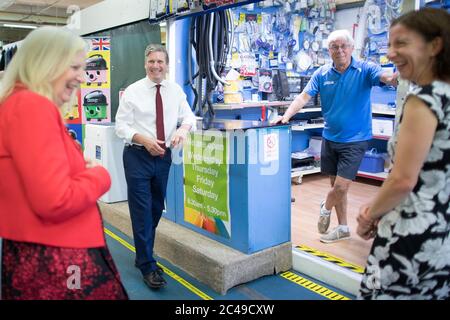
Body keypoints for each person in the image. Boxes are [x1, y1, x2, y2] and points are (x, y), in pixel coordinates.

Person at [0, 27, 128, 300]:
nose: (82, 77)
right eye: (74, 67)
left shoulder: (18, 104)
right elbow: (54, 200)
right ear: (45, 64)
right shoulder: (32, 107)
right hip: (59, 257)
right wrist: (100, 177)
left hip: (43, 252)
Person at [357, 8, 450, 300]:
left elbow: (402, 180)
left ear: (434, 46)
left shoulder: (424, 100)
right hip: (440, 231)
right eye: (389, 44)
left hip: (409, 232)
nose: (391, 53)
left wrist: (370, 214)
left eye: (402, 43)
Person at [272, 29, 397, 243]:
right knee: (336, 187)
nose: (339, 50)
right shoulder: (321, 73)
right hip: (330, 138)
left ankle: (325, 206)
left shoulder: (365, 69)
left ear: (351, 48)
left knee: (341, 187)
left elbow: (386, 77)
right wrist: (286, 116)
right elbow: (303, 98)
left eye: (343, 46)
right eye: (334, 47)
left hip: (356, 139)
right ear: (329, 51)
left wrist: (396, 76)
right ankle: (342, 227)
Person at [115, 44, 196, 290]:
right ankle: (148, 266)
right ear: (145, 64)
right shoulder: (133, 91)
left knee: (155, 207)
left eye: (160, 61)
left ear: (166, 64)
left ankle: (143, 254)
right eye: (151, 61)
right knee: (141, 210)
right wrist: (144, 140)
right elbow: (121, 126)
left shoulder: (175, 91)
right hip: (137, 156)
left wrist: (182, 129)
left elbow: (189, 117)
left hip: (163, 157)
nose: (156, 66)